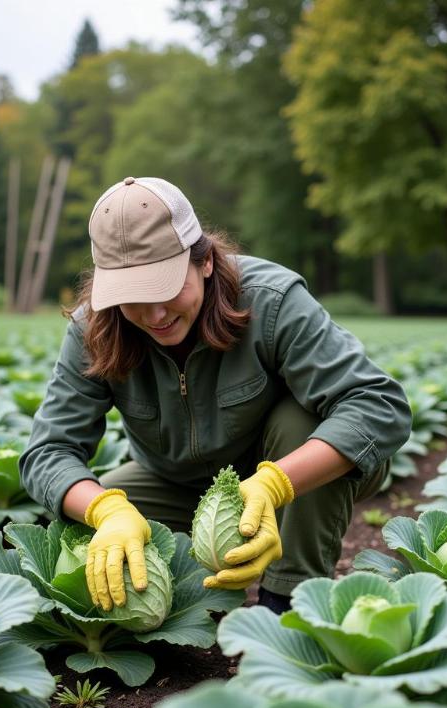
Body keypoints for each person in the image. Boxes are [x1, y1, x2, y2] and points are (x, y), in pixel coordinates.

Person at [20, 176, 411, 615]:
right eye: (132, 297)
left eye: (165, 288)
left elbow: (379, 404)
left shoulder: (272, 300)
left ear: (204, 261)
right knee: (83, 526)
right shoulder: (95, 327)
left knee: (302, 421)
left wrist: (274, 484)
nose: (154, 314)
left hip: (288, 476)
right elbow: (47, 452)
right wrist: (106, 511)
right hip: (176, 483)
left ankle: (288, 600)